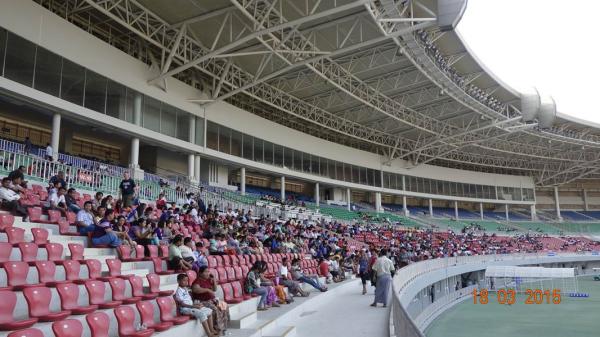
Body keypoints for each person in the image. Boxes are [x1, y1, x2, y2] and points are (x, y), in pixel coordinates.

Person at [191, 266, 230, 332]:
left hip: (211, 300)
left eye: (208, 271)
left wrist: (214, 280)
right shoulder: (197, 281)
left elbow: (215, 289)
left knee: (224, 305)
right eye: (206, 272)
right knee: (215, 309)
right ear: (200, 273)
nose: (208, 273)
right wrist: (207, 290)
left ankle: (223, 326)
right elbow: (196, 289)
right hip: (202, 301)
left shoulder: (208, 280)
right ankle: (217, 328)